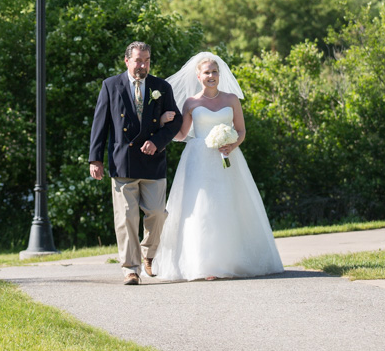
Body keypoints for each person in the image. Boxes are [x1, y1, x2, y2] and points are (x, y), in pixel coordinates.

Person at [152, 52, 283, 282]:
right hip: (198, 160)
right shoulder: (191, 103)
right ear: (198, 75)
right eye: (206, 72)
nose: (211, 76)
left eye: (214, 72)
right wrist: (164, 124)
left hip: (227, 159)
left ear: (219, 74)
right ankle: (205, 264)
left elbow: (241, 131)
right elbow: (183, 134)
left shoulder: (231, 99)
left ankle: (231, 260)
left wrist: (232, 145)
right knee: (202, 209)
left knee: (228, 205)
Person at [89, 41, 182, 285]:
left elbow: (176, 121)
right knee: (127, 217)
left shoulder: (161, 86)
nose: (143, 65)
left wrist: (158, 140)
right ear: (127, 61)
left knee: (157, 214)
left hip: (153, 161)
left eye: (147, 60)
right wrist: (95, 159)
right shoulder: (110, 85)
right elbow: (100, 124)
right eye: (138, 60)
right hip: (123, 162)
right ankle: (130, 268)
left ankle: (148, 254)